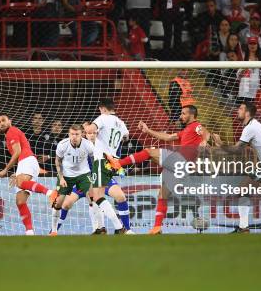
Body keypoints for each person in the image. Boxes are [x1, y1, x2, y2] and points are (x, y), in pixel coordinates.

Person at [106, 105, 209, 235]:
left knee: (149, 151)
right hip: (180, 167)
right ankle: (157, 227)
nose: (181, 116)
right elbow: (168, 137)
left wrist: (204, 141)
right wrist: (148, 131)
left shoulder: (196, 125)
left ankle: (118, 163)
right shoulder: (186, 130)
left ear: (192, 115)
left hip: (182, 161)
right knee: (162, 195)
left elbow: (206, 132)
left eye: (183, 113)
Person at [212, 101, 261, 233]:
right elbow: (256, 146)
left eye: (240, 108)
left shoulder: (250, 127)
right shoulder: (253, 125)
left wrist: (220, 143)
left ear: (247, 113)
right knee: (257, 190)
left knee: (244, 190)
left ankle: (244, 227)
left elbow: (236, 150)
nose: (237, 110)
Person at [0, 114, 57, 235]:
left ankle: (50, 193)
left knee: (20, 183)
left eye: (3, 120)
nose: (1, 123)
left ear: (10, 121)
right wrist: (17, 172)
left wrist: (6, 170)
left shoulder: (11, 131)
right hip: (25, 163)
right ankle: (29, 232)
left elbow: (18, 152)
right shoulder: (11, 133)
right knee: (20, 201)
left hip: (27, 160)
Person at [83, 98, 132, 234]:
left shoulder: (103, 118)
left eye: (100, 110)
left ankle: (118, 227)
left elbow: (91, 129)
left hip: (102, 160)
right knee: (95, 195)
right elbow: (126, 137)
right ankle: (115, 228)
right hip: (112, 162)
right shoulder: (121, 123)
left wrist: (86, 127)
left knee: (97, 196)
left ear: (103, 109)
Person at [49, 124, 95, 235]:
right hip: (66, 176)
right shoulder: (62, 145)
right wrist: (61, 178)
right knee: (58, 203)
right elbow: (58, 161)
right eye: (72, 134)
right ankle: (54, 231)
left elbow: (94, 160)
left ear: (82, 134)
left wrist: (94, 174)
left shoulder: (88, 145)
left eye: (77, 134)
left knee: (93, 199)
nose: (74, 137)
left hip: (83, 174)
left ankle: (97, 228)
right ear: (69, 134)